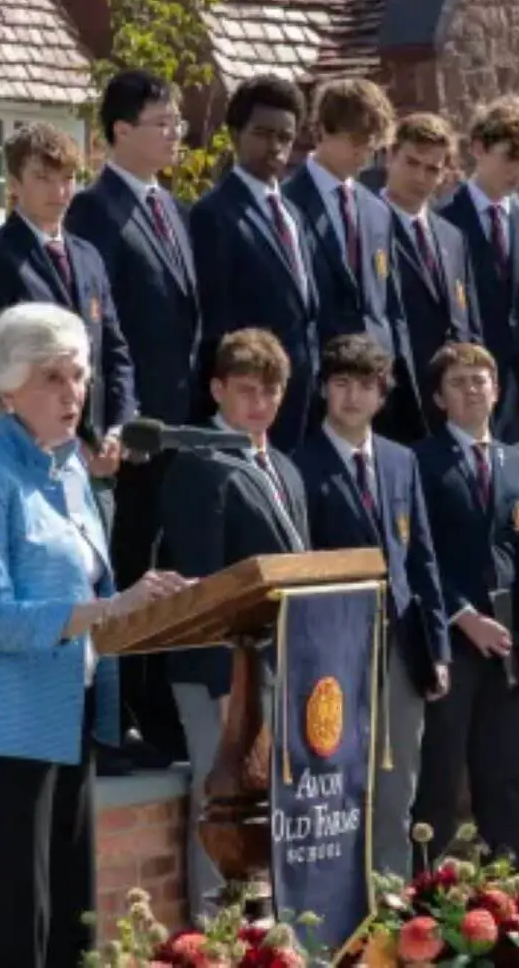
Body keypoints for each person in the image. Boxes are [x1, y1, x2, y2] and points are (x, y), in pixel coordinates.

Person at [0, 303, 190, 967]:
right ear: (7, 386)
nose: (73, 394)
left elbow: (89, 581)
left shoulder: (66, 465)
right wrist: (110, 608)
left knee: (73, 912)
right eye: (53, 379)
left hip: (67, 706)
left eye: (79, 376)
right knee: (14, 917)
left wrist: (138, 609)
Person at [65, 69, 201, 763]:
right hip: (124, 436)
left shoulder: (170, 208)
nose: (175, 133)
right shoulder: (94, 213)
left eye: (177, 123)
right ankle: (106, 719)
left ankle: (153, 707)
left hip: (175, 431)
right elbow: (95, 333)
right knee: (118, 571)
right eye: (162, 123)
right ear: (120, 131)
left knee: (164, 568)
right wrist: (104, 424)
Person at [159, 328, 310, 917]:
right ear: (217, 388)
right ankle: (216, 939)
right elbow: (203, 586)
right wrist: (226, 687)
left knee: (268, 801)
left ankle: (268, 930)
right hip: (219, 673)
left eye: (271, 392)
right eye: (245, 390)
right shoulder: (200, 466)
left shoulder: (285, 469)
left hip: (280, 664)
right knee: (220, 802)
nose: (259, 403)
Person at [292, 334, 449, 878]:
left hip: (402, 651)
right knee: (333, 787)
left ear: (383, 396)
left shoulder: (401, 461)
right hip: (335, 654)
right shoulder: (300, 466)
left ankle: (391, 909)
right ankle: (333, 910)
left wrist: (439, 649)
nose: (352, 397)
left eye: (365, 386)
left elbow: (423, 559)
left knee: (397, 785)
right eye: (341, 384)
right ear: (323, 391)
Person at [412, 341, 519, 863]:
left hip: (509, 640)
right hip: (450, 641)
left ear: (496, 390)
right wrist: (464, 617)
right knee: (442, 778)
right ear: (438, 398)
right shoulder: (418, 463)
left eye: (480, 380)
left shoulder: (516, 462)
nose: (472, 390)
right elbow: (416, 556)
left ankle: (504, 897)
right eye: (458, 383)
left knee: (502, 774)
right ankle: (431, 902)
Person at [0, 123, 137, 494]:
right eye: (43, 178)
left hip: (97, 466)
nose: (59, 191)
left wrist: (116, 431)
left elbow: (115, 354)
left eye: (68, 178)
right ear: (12, 183)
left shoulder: (89, 257)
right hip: (31, 460)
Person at [284, 80, 421, 444]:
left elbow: (390, 306)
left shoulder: (377, 211)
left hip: (377, 389)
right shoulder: (287, 205)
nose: (363, 154)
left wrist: (395, 372)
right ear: (321, 131)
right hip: (318, 391)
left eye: (371, 145)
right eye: (355, 141)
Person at [190, 75, 319, 452]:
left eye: (285, 137)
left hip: (299, 398)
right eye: (263, 133)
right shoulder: (213, 214)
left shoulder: (294, 213)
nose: (275, 147)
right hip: (248, 401)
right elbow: (215, 319)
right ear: (235, 135)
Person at [439, 96, 519, 441]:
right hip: (471, 392)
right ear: (479, 147)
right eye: (510, 157)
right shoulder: (442, 221)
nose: (517, 172)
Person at [380, 113, 483, 437]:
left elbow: (469, 323)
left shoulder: (453, 237)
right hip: (394, 404)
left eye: (432, 169)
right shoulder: (367, 226)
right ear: (389, 156)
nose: (420, 176)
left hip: (452, 411)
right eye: (411, 163)